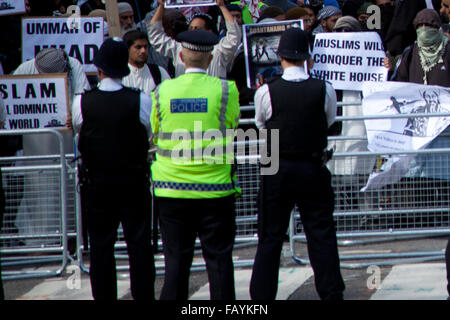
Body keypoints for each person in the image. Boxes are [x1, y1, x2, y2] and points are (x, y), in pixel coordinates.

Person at [250, 28, 345, 300]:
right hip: (313, 166)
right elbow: (328, 121)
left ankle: (262, 297)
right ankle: (331, 293)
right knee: (321, 234)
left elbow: (262, 124)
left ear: (279, 56)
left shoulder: (267, 91)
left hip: (276, 167)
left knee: (270, 237)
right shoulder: (323, 88)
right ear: (307, 57)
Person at [150, 29, 241, 300]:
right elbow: (231, 124)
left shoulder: (162, 90)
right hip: (215, 190)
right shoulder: (226, 89)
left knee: (176, 262)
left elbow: (155, 130)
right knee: (219, 261)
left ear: (180, 56)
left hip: (172, 190)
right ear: (211, 57)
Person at [72, 37, 155, 300]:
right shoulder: (141, 99)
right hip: (133, 181)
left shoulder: (82, 102)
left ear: (99, 69)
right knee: (139, 245)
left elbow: (79, 134)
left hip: (97, 184)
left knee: (100, 247)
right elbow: (148, 134)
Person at [148, 0, 241, 78]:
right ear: (181, 56)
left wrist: (222, 6)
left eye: (197, 29)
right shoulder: (179, 49)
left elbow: (234, 36)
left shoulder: (218, 51)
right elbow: (155, 36)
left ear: (209, 32)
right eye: (190, 28)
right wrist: (161, 6)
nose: (193, 32)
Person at [122, 30, 171, 95]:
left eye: (145, 47)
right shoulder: (119, 74)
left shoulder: (159, 72)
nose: (143, 51)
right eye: (138, 47)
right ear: (127, 49)